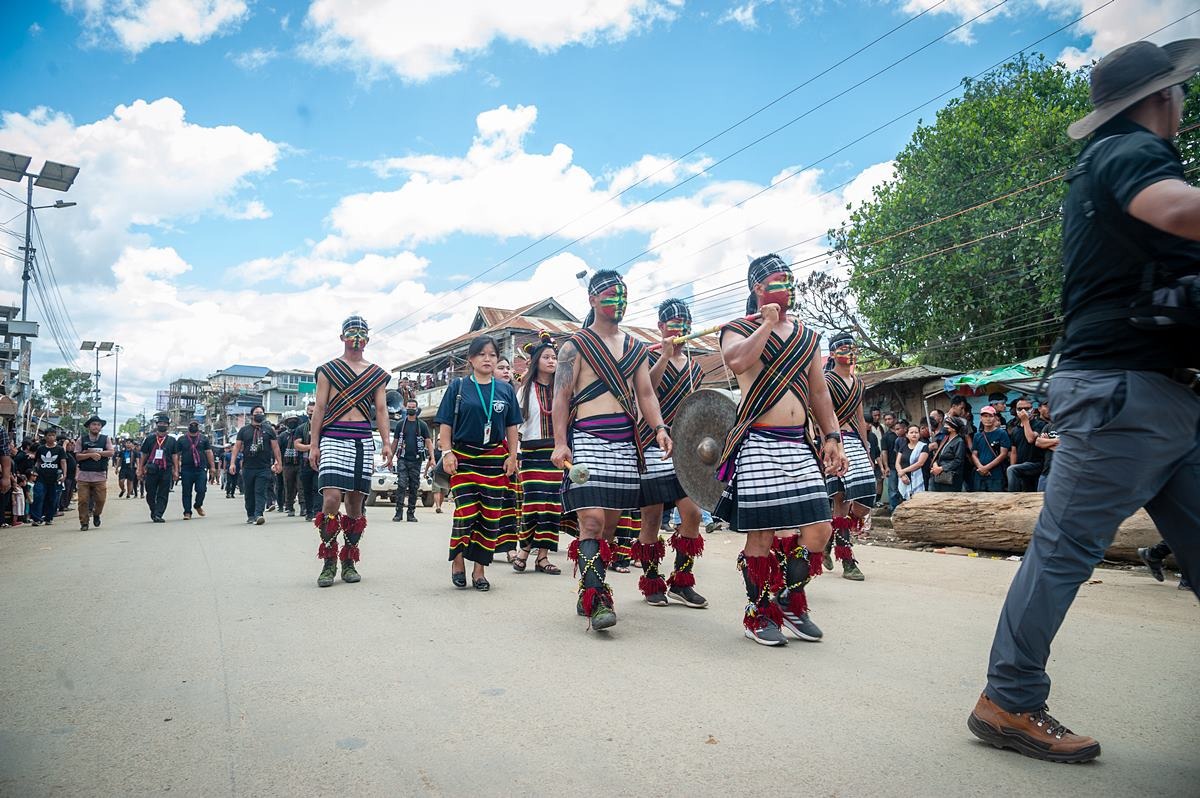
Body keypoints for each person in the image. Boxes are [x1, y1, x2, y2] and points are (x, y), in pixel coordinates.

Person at [970, 39, 1200, 764]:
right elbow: (1169, 206)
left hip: (1160, 396)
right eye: (1181, 93)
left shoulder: (1115, 155)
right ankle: (1008, 699)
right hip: (1120, 394)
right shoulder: (1127, 152)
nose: (1185, 103)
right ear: (1162, 98)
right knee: (1064, 550)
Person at [714, 254, 846, 647]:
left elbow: (819, 392)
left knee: (820, 530)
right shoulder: (736, 329)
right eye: (778, 280)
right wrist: (768, 323)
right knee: (763, 536)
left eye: (790, 280)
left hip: (798, 445)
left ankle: (790, 599)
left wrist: (832, 437)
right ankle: (758, 613)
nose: (787, 287)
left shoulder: (807, 335)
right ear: (758, 288)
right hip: (757, 442)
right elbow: (737, 361)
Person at [551, 270, 673, 631]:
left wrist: (660, 428)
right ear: (592, 300)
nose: (617, 301)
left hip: (624, 443)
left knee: (609, 531)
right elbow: (561, 396)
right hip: (587, 440)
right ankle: (599, 598)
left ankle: (587, 585)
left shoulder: (636, 347)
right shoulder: (575, 345)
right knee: (591, 522)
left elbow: (646, 394)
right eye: (609, 295)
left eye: (622, 295)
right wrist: (561, 441)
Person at [631, 299, 708, 608]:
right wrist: (663, 356)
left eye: (684, 324)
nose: (680, 329)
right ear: (661, 327)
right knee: (651, 517)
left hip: (684, 446)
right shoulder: (647, 357)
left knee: (693, 513)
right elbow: (646, 390)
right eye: (674, 324)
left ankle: (681, 580)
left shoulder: (695, 368)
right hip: (651, 442)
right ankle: (651, 581)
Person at [309, 316, 393, 588]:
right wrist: (314, 444)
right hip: (332, 437)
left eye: (362, 333)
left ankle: (349, 560)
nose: (356, 337)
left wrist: (386, 442)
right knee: (332, 498)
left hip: (360, 438)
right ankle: (329, 560)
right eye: (352, 332)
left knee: (356, 502)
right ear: (342, 336)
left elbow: (380, 410)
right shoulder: (328, 370)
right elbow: (320, 408)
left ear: (368, 338)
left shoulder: (376, 374)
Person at [436, 335, 522, 590]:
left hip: (494, 460)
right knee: (467, 513)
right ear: (471, 359)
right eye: (482, 354)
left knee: (489, 517)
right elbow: (445, 424)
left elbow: (512, 427)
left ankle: (480, 570)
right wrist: (447, 453)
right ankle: (458, 561)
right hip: (464, 459)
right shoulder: (458, 387)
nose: (488, 359)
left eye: (493, 355)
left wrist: (513, 455)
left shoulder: (505, 389)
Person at [821, 331, 873, 582]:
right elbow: (825, 417)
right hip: (836, 441)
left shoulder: (859, 383)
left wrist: (866, 448)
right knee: (841, 500)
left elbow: (861, 419)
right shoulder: (827, 380)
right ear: (832, 353)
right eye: (842, 348)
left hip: (855, 442)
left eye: (852, 347)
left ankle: (829, 540)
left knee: (864, 501)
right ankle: (848, 559)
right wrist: (830, 447)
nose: (849, 352)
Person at [512, 331, 563, 574]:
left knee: (552, 506)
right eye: (547, 357)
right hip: (531, 454)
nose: (552, 361)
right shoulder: (525, 390)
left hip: (555, 455)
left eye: (554, 357)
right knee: (533, 503)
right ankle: (524, 550)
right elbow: (516, 425)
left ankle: (542, 557)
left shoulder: (564, 389)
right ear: (536, 362)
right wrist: (514, 454)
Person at [229, 406, 281, 525]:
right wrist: (232, 463)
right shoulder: (244, 430)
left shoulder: (269, 430)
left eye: (261, 413)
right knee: (249, 492)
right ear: (252, 415)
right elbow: (237, 447)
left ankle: (259, 514)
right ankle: (251, 514)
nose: (259, 414)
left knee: (260, 490)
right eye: (257, 412)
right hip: (248, 467)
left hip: (264, 467)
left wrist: (279, 462)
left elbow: (275, 447)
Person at [392, 398, 433, 523]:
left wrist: (432, 457)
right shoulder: (400, 424)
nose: (411, 409)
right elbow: (395, 442)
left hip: (416, 460)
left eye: (413, 407)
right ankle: (398, 513)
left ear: (416, 409)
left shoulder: (422, 425)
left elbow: (428, 442)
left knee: (414, 487)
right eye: (408, 407)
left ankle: (411, 513)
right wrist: (389, 458)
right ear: (405, 408)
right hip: (402, 459)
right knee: (401, 484)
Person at [75, 416, 114, 531]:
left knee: (101, 500)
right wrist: (89, 455)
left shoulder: (105, 439)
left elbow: (111, 452)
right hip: (83, 476)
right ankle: (84, 522)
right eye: (93, 424)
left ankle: (96, 514)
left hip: (99, 475)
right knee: (82, 501)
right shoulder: (81, 440)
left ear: (101, 427)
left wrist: (97, 453)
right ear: (88, 426)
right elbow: (77, 456)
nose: (96, 427)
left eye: (98, 425)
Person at [137, 414, 178, 523]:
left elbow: (175, 456)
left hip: (166, 469)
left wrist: (176, 470)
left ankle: (159, 514)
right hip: (151, 469)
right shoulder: (149, 439)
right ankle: (154, 510)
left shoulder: (172, 440)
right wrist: (140, 469)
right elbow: (144, 454)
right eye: (160, 423)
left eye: (164, 424)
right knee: (150, 493)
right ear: (157, 425)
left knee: (163, 493)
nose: (162, 425)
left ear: (168, 426)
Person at [178, 421, 216, 520]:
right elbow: (177, 455)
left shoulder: (204, 439)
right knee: (186, 492)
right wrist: (176, 468)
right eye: (191, 425)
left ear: (198, 427)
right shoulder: (182, 439)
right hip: (186, 469)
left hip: (200, 468)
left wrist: (212, 467)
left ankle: (198, 505)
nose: (193, 427)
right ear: (188, 427)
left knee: (201, 489)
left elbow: (209, 452)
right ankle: (187, 512)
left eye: (195, 425)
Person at [1005, 397, 1044, 492]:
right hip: (1021, 467)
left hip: (1037, 465)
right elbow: (1014, 452)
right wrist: (1012, 469)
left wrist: (1025, 421)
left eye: (1026, 409)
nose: (1023, 411)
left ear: (1032, 410)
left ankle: (1011, 497)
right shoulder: (1015, 430)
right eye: (1019, 409)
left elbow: (1031, 439)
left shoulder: (1040, 425)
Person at [970, 406, 1010, 492]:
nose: (988, 419)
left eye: (990, 416)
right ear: (981, 418)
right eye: (985, 416)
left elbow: (1003, 454)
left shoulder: (1002, 433)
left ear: (995, 417)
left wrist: (987, 468)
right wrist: (981, 467)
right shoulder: (977, 436)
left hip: (996, 474)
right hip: (979, 475)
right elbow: (974, 454)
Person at [293, 401, 318, 521]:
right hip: (305, 463)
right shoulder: (301, 428)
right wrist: (312, 447)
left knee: (317, 487)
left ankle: (318, 513)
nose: (312, 413)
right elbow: (297, 445)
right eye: (310, 411)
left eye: (314, 410)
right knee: (306, 488)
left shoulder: (324, 427)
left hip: (320, 463)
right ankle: (309, 512)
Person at [929, 416, 967, 492]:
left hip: (951, 478)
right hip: (939, 477)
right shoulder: (945, 439)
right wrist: (935, 465)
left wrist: (941, 468)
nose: (945, 427)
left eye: (948, 425)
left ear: (954, 428)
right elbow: (938, 454)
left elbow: (958, 461)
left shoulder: (959, 441)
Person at [895, 424, 928, 500]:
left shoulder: (923, 446)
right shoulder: (903, 446)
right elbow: (897, 463)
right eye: (911, 432)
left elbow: (920, 463)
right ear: (907, 435)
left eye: (916, 432)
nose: (914, 434)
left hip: (919, 477)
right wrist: (902, 475)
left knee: (918, 501)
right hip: (904, 478)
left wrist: (903, 471)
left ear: (919, 434)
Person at [58, 438, 77, 514]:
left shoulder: (71, 453)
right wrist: (65, 444)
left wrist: (73, 443)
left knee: (70, 491)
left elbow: (76, 449)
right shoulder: (64, 453)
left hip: (72, 476)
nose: (71, 446)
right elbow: (62, 453)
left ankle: (66, 505)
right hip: (67, 475)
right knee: (65, 492)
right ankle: (62, 506)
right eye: (69, 445)